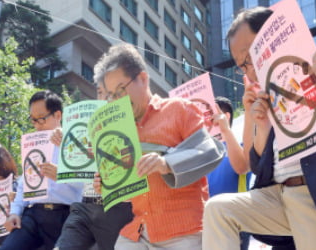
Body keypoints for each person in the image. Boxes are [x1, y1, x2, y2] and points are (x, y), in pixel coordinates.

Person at [202, 7, 316, 250]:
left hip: (312, 191)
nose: (249, 71)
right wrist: (261, 122)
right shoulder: (263, 96)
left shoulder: (315, 67)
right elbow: (256, 165)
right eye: (242, 66)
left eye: (248, 59)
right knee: (218, 210)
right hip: (276, 195)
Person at [93, 43, 224, 249]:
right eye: (111, 95)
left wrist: (166, 164)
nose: (116, 101)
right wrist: (108, 184)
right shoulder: (119, 131)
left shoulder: (180, 109)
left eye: (120, 90)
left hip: (184, 230)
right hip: (138, 231)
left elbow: (209, 152)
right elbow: (129, 190)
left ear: (143, 79)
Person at [0, 90, 84, 250]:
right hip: (33, 215)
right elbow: (25, 185)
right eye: (33, 120)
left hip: (67, 215)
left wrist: (62, 175)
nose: (37, 125)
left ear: (58, 115)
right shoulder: (32, 144)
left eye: (42, 119)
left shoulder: (76, 141)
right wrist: (14, 213)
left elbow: (88, 185)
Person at [54, 82, 134, 250]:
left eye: (109, 93)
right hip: (84, 206)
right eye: (99, 92)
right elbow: (77, 176)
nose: (103, 97)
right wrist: (65, 138)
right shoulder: (86, 125)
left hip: (118, 209)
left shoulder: (131, 125)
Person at [208, 96, 251, 250]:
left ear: (226, 117)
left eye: (209, 115)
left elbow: (242, 167)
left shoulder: (240, 149)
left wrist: (225, 130)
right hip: (206, 224)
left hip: (235, 223)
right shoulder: (202, 155)